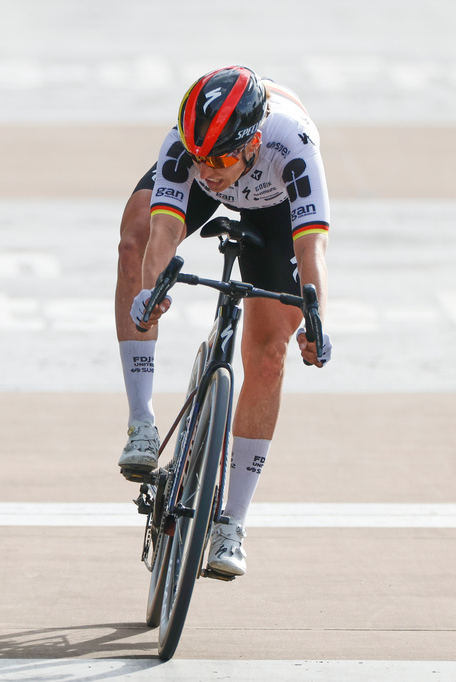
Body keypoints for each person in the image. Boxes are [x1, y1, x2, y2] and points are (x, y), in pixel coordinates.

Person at [115, 66, 332, 577]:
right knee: (133, 242)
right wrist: (152, 290)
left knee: (270, 353)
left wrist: (317, 321)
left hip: (276, 206)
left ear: (253, 140)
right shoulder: (186, 148)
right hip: (215, 200)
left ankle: (231, 521)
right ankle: (141, 421)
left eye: (219, 157)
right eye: (198, 158)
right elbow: (162, 236)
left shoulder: (293, 144)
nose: (207, 168)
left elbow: (311, 247)